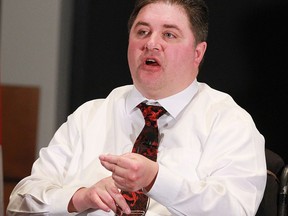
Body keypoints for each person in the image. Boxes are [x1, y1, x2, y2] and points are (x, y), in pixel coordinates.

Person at [7, 0, 267, 215]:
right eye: (142, 32)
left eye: (169, 34)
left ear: (197, 53)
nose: (151, 44)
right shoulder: (89, 116)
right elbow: (18, 204)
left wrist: (156, 179)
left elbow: (236, 209)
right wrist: (78, 197)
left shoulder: (228, 121)